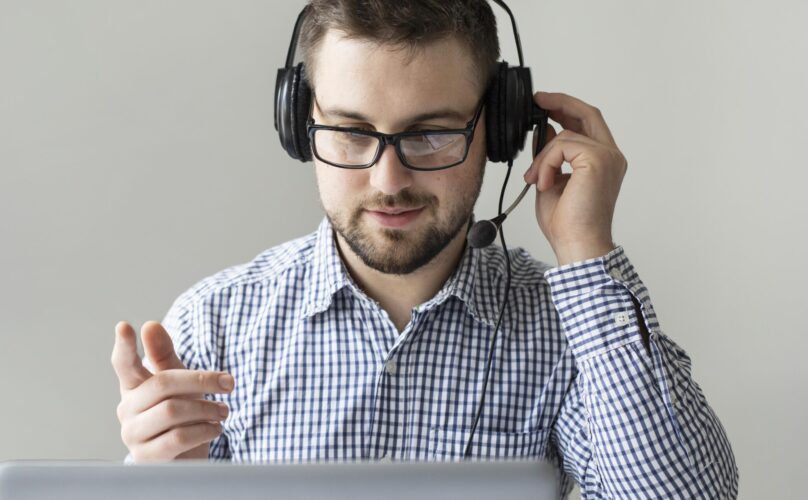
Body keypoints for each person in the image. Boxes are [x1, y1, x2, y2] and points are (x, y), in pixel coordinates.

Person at [110, 1, 739, 497]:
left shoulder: (568, 328)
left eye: (432, 133)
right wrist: (158, 481)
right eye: (352, 132)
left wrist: (585, 252)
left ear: (502, 128)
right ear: (299, 124)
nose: (389, 181)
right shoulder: (216, 320)